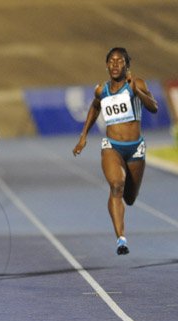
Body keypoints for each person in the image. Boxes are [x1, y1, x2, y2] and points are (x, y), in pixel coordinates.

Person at [73, 47, 158, 255]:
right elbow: (95, 107)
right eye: (111, 61)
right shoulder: (101, 90)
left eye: (120, 61)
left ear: (127, 65)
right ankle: (121, 239)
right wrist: (83, 136)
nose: (115, 65)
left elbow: (154, 107)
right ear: (106, 65)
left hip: (135, 148)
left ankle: (122, 221)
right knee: (116, 186)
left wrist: (137, 92)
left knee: (129, 198)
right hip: (112, 146)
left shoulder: (137, 83)